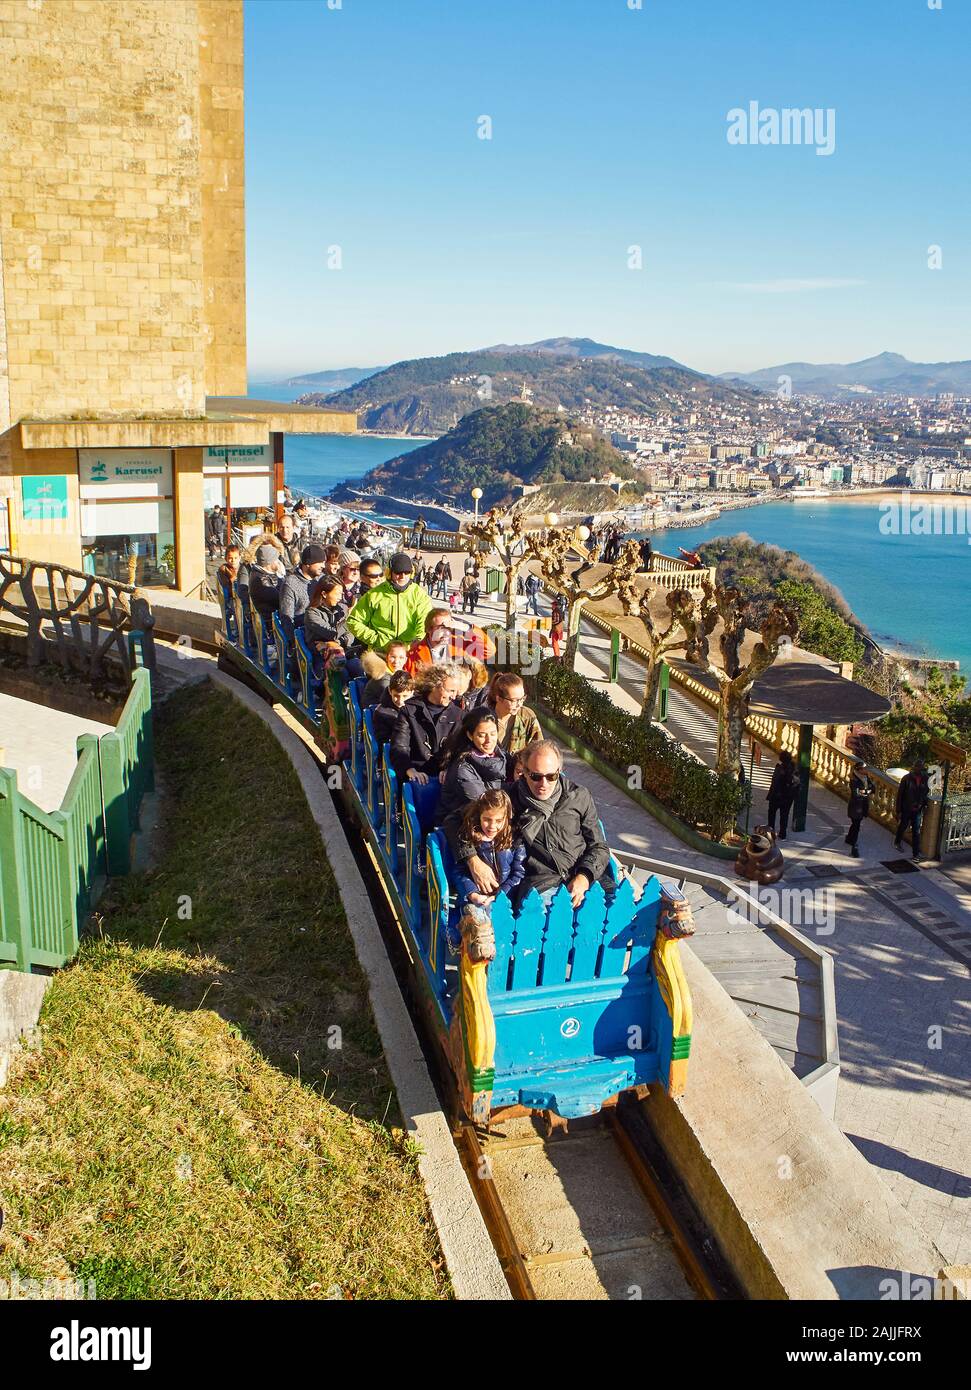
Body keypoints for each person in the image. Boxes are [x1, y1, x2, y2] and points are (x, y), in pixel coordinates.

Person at [456, 740, 610, 910]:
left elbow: (599, 846)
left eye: (551, 776)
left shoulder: (578, 796)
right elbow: (455, 821)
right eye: (536, 776)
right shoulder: (508, 798)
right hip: (542, 884)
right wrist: (472, 860)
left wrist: (584, 876)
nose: (543, 784)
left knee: (620, 913)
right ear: (524, 772)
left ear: (559, 772)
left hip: (584, 876)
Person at [450, 790, 528, 960]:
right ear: (479, 816)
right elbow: (459, 871)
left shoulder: (514, 839)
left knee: (504, 926)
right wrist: (472, 893)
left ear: (507, 818)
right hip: (477, 898)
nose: (492, 826)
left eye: (499, 821)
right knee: (476, 922)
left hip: (503, 899)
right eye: (487, 819)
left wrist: (499, 895)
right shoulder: (471, 838)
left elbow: (519, 873)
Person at [389, 663, 464, 784]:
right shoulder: (409, 711)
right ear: (435, 685)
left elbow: (460, 751)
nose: (454, 697)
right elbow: (399, 747)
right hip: (415, 775)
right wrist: (410, 770)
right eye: (450, 691)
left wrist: (449, 769)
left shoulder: (458, 715)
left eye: (456, 691)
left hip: (445, 779)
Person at [347, 551, 433, 652]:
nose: (403, 576)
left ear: (412, 573)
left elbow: (424, 623)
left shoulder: (419, 595)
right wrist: (376, 639)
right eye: (398, 573)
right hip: (380, 652)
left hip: (407, 653)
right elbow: (353, 621)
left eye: (407, 572)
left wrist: (417, 642)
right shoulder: (374, 594)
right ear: (389, 573)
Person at [437, 707, 509, 826]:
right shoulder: (462, 768)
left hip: (492, 820)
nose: (489, 740)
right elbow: (483, 806)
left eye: (493, 734)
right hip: (465, 823)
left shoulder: (502, 756)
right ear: (470, 736)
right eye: (482, 735)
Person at [302, 574, 361, 676]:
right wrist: (349, 619)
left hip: (343, 652)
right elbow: (331, 634)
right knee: (341, 673)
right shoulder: (311, 613)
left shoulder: (342, 608)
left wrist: (333, 643)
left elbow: (351, 634)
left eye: (342, 594)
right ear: (324, 594)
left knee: (358, 667)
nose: (340, 597)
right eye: (337, 594)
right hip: (320, 657)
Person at [480, 671, 542, 758]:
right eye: (514, 700)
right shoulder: (483, 719)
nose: (519, 704)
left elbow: (539, 748)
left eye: (522, 699)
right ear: (499, 698)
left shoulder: (527, 716)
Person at [279, 543, 328, 641]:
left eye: (324, 562)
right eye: (320, 562)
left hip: (324, 627)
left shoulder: (322, 579)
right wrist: (293, 643)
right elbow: (287, 617)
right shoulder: (290, 583)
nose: (323, 566)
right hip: (303, 633)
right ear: (308, 563)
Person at [894, 760, 929, 861]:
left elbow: (926, 791)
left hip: (917, 810)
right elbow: (900, 795)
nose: (919, 769)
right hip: (906, 808)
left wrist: (924, 803)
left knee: (916, 831)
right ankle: (897, 842)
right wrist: (898, 810)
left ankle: (916, 853)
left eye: (920, 767)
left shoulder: (925, 778)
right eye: (917, 767)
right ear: (914, 767)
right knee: (903, 826)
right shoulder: (906, 778)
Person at [372, 669, 415, 745]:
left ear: (412, 692)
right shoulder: (381, 713)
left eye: (405, 696)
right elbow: (383, 742)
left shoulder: (418, 707)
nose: (400, 701)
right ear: (389, 691)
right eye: (396, 696)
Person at [361, 641, 409, 706]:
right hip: (375, 712)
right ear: (387, 657)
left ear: (405, 660)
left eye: (401, 657)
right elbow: (395, 701)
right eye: (393, 657)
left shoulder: (401, 675)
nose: (396, 661)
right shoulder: (383, 678)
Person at [247, 541, 287, 619]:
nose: (279, 563)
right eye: (276, 559)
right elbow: (283, 601)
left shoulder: (262, 574)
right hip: (271, 623)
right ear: (270, 562)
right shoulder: (261, 581)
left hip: (274, 617)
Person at [766, 750, 799, 840]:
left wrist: (771, 795)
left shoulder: (779, 769)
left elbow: (775, 783)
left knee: (772, 813)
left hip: (777, 796)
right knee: (784, 815)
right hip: (788, 797)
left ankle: (771, 832)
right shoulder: (794, 768)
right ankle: (782, 834)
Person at [846, 764, 874, 859]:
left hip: (862, 806)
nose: (866, 770)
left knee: (855, 824)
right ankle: (854, 846)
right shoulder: (854, 780)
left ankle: (849, 839)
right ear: (860, 770)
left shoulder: (866, 778)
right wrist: (866, 791)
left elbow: (873, 789)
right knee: (856, 825)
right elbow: (856, 794)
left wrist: (864, 791)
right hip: (855, 806)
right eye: (864, 768)